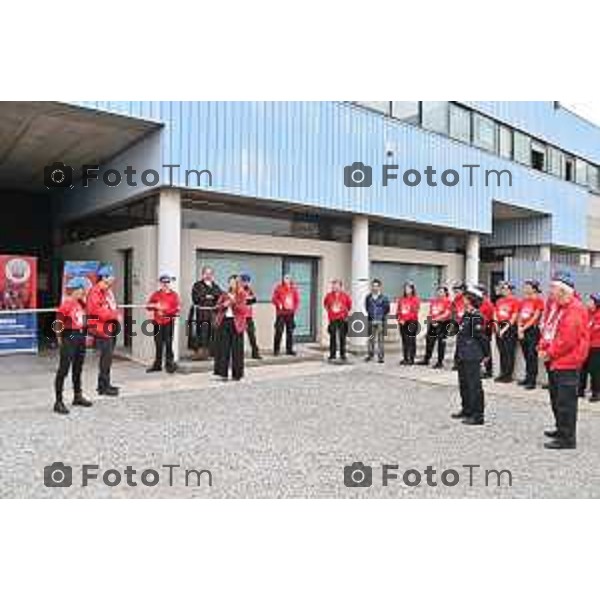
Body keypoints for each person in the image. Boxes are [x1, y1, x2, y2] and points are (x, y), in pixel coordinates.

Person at [538, 273, 589, 450]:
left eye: (553, 289)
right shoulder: (559, 307)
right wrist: (542, 345)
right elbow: (549, 329)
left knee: (566, 401)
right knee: (557, 398)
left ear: (563, 290)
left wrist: (549, 353)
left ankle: (567, 438)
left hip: (567, 361)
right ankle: (561, 429)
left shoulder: (574, 309)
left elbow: (567, 340)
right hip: (556, 359)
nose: (550, 292)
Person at [53, 277, 93, 415]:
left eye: (83, 289)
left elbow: (84, 320)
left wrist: (86, 334)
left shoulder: (81, 303)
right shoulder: (66, 305)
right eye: (81, 289)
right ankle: (58, 401)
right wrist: (60, 339)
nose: (83, 292)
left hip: (80, 336)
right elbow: (58, 323)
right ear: (74, 290)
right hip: (69, 336)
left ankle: (77, 395)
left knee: (78, 367)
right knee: (63, 369)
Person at [451, 285, 487, 425]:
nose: (463, 299)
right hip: (462, 354)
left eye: (466, 297)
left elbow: (482, 338)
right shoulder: (467, 315)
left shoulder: (476, 316)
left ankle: (478, 415)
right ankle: (466, 409)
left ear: (471, 300)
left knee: (474, 386)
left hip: (472, 355)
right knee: (464, 384)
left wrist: (485, 355)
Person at [87, 264, 120, 396]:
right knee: (106, 358)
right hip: (102, 329)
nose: (114, 279)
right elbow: (96, 311)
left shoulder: (106, 291)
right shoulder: (95, 292)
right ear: (104, 277)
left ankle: (106, 383)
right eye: (112, 276)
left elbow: (111, 307)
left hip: (110, 327)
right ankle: (103, 387)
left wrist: (115, 314)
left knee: (108, 358)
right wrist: (114, 314)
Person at [213, 275, 248, 381]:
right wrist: (224, 305)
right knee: (224, 349)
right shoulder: (224, 294)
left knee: (237, 350)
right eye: (230, 282)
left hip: (237, 324)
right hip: (225, 323)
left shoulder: (242, 294)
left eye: (234, 282)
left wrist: (233, 303)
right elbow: (217, 307)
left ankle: (237, 374)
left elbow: (243, 310)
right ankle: (223, 373)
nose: (232, 284)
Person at [146, 274, 181, 374]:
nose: (165, 284)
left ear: (170, 283)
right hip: (157, 322)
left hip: (168, 322)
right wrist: (155, 306)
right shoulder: (156, 294)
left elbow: (177, 309)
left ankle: (169, 365)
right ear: (160, 283)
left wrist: (165, 310)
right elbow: (148, 306)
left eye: (167, 282)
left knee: (169, 344)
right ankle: (157, 365)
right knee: (158, 344)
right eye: (163, 282)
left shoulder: (174, 295)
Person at [189, 267, 222, 360]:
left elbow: (219, 297)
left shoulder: (215, 286)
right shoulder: (197, 285)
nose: (208, 275)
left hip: (212, 313)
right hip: (201, 313)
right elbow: (196, 298)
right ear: (202, 274)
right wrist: (208, 297)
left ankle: (210, 353)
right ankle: (200, 353)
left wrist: (209, 296)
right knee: (201, 332)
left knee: (212, 333)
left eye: (210, 273)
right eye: (206, 273)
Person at [516, 280, 544, 389]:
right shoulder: (523, 301)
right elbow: (519, 315)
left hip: (532, 331)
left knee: (532, 355)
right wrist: (519, 328)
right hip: (522, 330)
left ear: (534, 288)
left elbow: (535, 317)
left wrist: (523, 328)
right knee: (526, 355)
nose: (525, 288)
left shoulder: (539, 301)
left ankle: (532, 380)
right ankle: (527, 377)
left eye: (528, 286)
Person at [418, 285, 452, 369]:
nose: (439, 293)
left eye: (441, 292)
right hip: (432, 324)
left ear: (445, 293)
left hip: (443, 324)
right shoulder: (434, 301)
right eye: (438, 291)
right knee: (429, 341)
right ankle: (426, 359)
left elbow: (447, 313)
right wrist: (431, 320)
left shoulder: (448, 301)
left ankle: (440, 362)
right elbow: (430, 312)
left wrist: (436, 319)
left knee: (441, 343)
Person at [494, 281, 521, 383]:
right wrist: (496, 326)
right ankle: (502, 373)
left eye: (505, 289)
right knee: (502, 352)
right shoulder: (499, 301)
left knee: (509, 352)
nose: (503, 291)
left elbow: (514, 317)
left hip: (509, 327)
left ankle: (508, 375)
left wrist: (504, 329)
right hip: (499, 326)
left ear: (510, 290)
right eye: (502, 289)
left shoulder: (515, 301)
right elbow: (495, 314)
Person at [323, 279, 352, 361]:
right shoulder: (329, 295)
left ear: (340, 286)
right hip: (333, 319)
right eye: (333, 285)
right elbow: (325, 305)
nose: (334, 287)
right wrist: (331, 312)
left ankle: (343, 354)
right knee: (332, 336)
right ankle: (332, 354)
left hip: (342, 318)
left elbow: (349, 305)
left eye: (336, 285)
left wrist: (344, 312)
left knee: (342, 337)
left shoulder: (345, 296)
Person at [578, 293, 600, 402]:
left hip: (596, 347)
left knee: (595, 370)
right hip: (585, 346)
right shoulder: (586, 314)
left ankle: (596, 392)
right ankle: (580, 390)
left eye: (591, 301)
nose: (588, 302)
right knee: (582, 369)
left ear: (596, 304)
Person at [272, 274, 300, 356]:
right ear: (283, 279)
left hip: (290, 314)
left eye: (288, 278)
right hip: (281, 313)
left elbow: (297, 300)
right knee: (279, 331)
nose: (287, 280)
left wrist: (293, 309)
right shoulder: (279, 287)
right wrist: (278, 303)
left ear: (291, 280)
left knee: (290, 332)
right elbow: (274, 298)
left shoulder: (293, 289)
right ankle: (276, 350)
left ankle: (289, 349)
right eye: (286, 278)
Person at [365, 279, 390, 363]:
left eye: (376, 286)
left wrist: (381, 316)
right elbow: (367, 307)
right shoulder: (368, 297)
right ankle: (370, 354)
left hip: (380, 321)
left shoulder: (384, 298)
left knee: (380, 340)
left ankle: (380, 357)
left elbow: (387, 309)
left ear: (380, 287)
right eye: (373, 286)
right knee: (371, 339)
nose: (374, 288)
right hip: (371, 320)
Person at [396, 281, 420, 365]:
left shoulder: (415, 299)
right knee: (404, 340)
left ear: (412, 289)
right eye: (405, 288)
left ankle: (411, 358)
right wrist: (399, 319)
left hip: (411, 322)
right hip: (402, 323)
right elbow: (398, 311)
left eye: (409, 288)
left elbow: (414, 312)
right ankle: (405, 358)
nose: (407, 290)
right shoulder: (401, 299)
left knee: (411, 340)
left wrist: (405, 319)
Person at [240, 273, 262, 359]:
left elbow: (254, 300)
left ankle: (255, 353)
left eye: (248, 281)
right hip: (240, 316)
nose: (246, 283)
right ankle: (238, 353)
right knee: (239, 336)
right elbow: (241, 301)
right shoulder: (238, 290)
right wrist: (247, 300)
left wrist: (248, 300)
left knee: (252, 334)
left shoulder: (249, 290)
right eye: (244, 281)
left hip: (249, 316)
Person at [478, 285, 495, 379]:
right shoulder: (478, 303)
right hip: (478, 329)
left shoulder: (488, 304)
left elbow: (488, 318)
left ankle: (488, 371)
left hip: (485, 329)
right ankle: (481, 369)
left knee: (486, 351)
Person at [451, 283, 466, 370]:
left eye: (458, 289)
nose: (456, 291)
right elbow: (453, 313)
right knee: (459, 344)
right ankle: (457, 363)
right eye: (455, 290)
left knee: (464, 345)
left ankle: (462, 363)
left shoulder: (466, 299)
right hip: (458, 324)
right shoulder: (455, 301)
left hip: (466, 325)